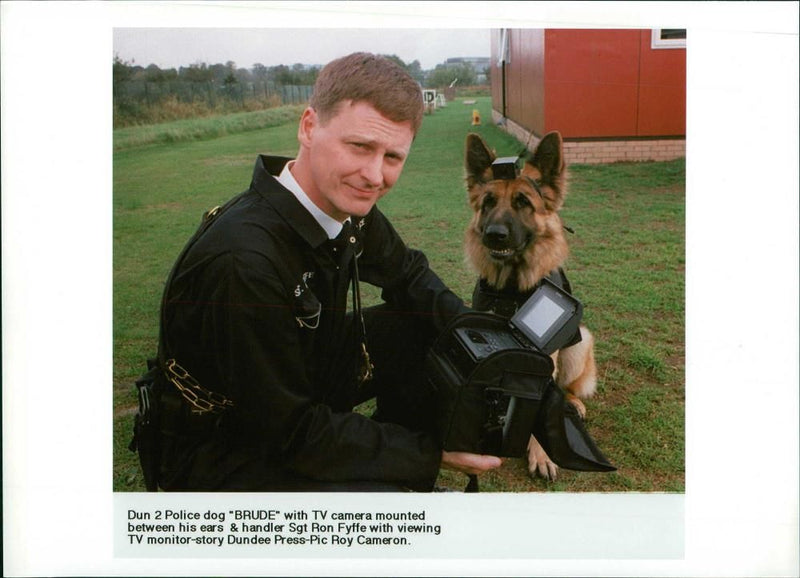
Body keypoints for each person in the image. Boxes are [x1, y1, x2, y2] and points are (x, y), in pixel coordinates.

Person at [152, 52, 502, 491]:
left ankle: (394, 475)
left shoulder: (345, 205)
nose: (374, 175)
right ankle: (393, 487)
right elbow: (291, 432)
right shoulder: (243, 263)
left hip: (303, 378)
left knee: (419, 323)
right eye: (359, 147)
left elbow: (408, 276)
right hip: (223, 450)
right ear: (309, 126)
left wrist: (487, 340)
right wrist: (425, 454)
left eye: (393, 156)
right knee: (385, 503)